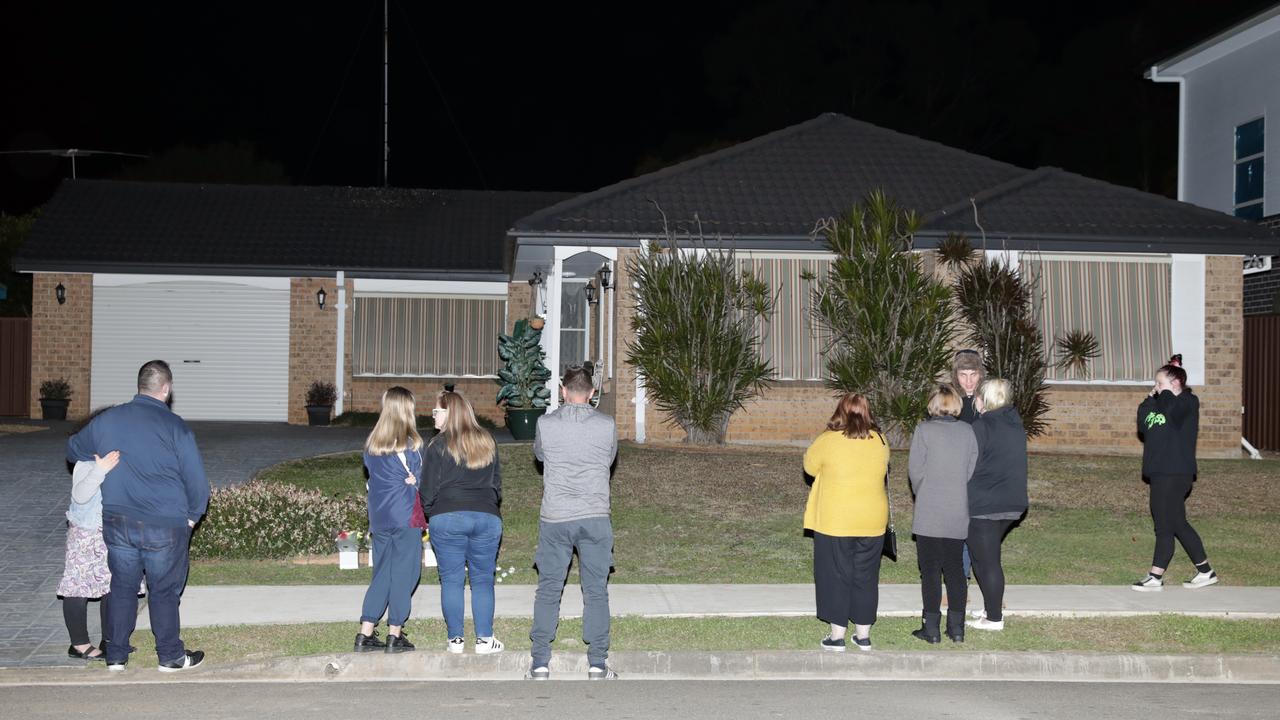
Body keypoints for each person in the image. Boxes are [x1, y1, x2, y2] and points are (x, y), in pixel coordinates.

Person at [66, 360, 209, 672]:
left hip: (119, 524)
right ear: (166, 389)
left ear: (140, 385)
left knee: (121, 588)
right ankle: (170, 656)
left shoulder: (108, 420)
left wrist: (99, 458)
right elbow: (197, 481)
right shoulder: (176, 427)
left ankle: (116, 656)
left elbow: (73, 448)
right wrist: (192, 516)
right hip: (165, 525)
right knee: (164, 591)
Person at [528, 366, 618, 680]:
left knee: (549, 589)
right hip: (594, 515)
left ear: (563, 391)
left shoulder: (545, 423)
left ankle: (540, 663)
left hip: (555, 517)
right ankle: (597, 664)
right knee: (596, 591)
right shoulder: (607, 424)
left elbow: (540, 456)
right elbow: (609, 459)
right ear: (592, 393)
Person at [802, 392, 891, 652]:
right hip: (872, 520)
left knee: (835, 575)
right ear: (867, 412)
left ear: (840, 411)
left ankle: (837, 636)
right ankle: (863, 636)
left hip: (836, 520)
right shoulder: (881, 441)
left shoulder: (828, 441)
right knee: (866, 576)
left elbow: (809, 467)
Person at [421, 390, 504, 654]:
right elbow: (497, 485)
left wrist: (432, 512)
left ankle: (455, 640)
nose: (433, 415)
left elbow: (427, 490)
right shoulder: (487, 440)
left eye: (437, 411)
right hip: (486, 517)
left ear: (450, 413)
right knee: (482, 579)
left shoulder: (437, 445)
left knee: (451, 580)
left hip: (447, 517)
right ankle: (484, 639)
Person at [1132, 360, 1216, 591]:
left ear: (1176, 382)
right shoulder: (1156, 403)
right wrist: (1151, 397)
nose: (1156, 387)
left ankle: (1155, 576)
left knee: (1163, 525)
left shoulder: (1188, 402)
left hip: (1175, 471)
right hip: (1160, 472)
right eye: (1155, 383)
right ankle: (1205, 571)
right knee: (1177, 523)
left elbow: (1172, 411)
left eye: (1160, 383)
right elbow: (1142, 423)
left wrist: (1165, 394)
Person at [355, 386, 425, 653]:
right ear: (407, 409)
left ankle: (365, 632)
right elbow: (421, 479)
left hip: (380, 515)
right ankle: (395, 633)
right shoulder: (413, 445)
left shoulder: (372, 445)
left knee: (382, 571)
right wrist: (414, 480)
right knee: (405, 573)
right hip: (406, 514)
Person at [907, 385, 978, 643]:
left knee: (930, 570)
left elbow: (915, 470)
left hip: (929, 509)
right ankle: (957, 628)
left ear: (933, 404)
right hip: (957, 508)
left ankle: (931, 627)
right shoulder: (967, 431)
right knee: (956, 569)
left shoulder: (924, 430)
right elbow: (971, 467)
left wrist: (924, 491)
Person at [965, 378, 1028, 632]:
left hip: (986, 504)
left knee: (986, 561)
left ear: (984, 399)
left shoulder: (982, 426)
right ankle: (990, 607)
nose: (974, 401)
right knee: (984, 557)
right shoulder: (1014, 423)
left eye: (977, 397)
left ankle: (994, 618)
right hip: (1012, 502)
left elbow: (969, 465)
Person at [58, 448, 121, 661]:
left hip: (114, 531)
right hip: (87, 532)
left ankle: (110, 640)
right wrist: (99, 470)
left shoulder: (120, 458)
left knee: (113, 586)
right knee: (77, 587)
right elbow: (80, 496)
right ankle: (79, 644)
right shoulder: (86, 462)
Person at [952, 349, 985, 424]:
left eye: (973, 374)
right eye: (963, 375)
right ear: (956, 376)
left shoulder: (991, 398)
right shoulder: (947, 399)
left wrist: (984, 413)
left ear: (980, 375)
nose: (969, 381)